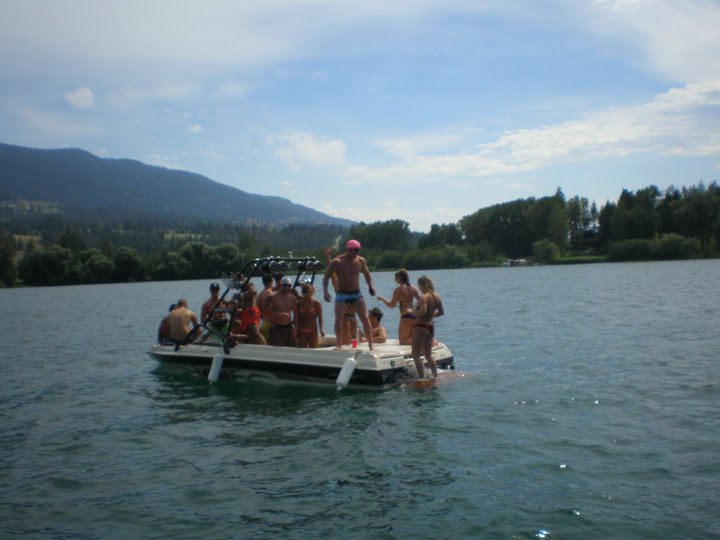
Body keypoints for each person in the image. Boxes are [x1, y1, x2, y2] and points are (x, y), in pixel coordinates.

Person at [322, 239, 376, 350]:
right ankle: (339, 345)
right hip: (342, 294)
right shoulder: (337, 262)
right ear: (349, 249)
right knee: (339, 319)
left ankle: (371, 345)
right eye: (355, 250)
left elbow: (367, 274)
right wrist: (325, 291)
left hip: (356, 294)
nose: (357, 253)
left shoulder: (360, 261)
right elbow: (326, 277)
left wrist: (371, 286)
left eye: (358, 250)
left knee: (365, 318)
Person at [411, 275, 444, 380]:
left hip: (421, 326)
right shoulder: (437, 297)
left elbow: (422, 312)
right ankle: (434, 376)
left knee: (415, 354)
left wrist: (412, 312)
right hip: (430, 326)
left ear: (422, 285)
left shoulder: (423, 297)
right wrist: (432, 315)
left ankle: (421, 379)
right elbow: (441, 312)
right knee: (428, 355)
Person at [377, 268, 421, 345]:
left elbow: (392, 305)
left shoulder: (398, 290)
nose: (395, 279)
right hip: (414, 315)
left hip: (406, 316)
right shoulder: (413, 287)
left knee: (403, 341)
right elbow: (421, 301)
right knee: (411, 338)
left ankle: (424, 342)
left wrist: (382, 299)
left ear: (400, 277)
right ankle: (424, 343)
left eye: (396, 277)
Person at [324, 246, 356, 345]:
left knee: (354, 339)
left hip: (353, 315)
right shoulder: (337, 284)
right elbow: (331, 269)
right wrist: (328, 256)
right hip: (345, 315)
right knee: (346, 340)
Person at [266, 276, 298, 347]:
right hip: (276, 328)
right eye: (284, 285)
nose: (287, 287)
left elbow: (296, 314)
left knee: (290, 349)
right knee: (276, 350)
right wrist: (280, 315)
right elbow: (267, 312)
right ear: (280, 285)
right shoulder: (273, 297)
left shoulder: (292, 298)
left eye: (289, 285)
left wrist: (295, 327)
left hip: (289, 328)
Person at [296, 283, 324, 348]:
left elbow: (320, 318)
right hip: (301, 331)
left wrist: (321, 329)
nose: (308, 293)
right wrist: (295, 329)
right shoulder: (299, 303)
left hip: (313, 331)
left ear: (313, 292)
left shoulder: (316, 303)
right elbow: (296, 317)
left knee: (314, 349)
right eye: (306, 292)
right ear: (303, 293)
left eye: (310, 292)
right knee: (302, 350)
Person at [257, 274, 275, 341]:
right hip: (270, 324)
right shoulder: (270, 293)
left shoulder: (259, 295)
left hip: (264, 323)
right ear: (271, 281)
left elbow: (259, 311)